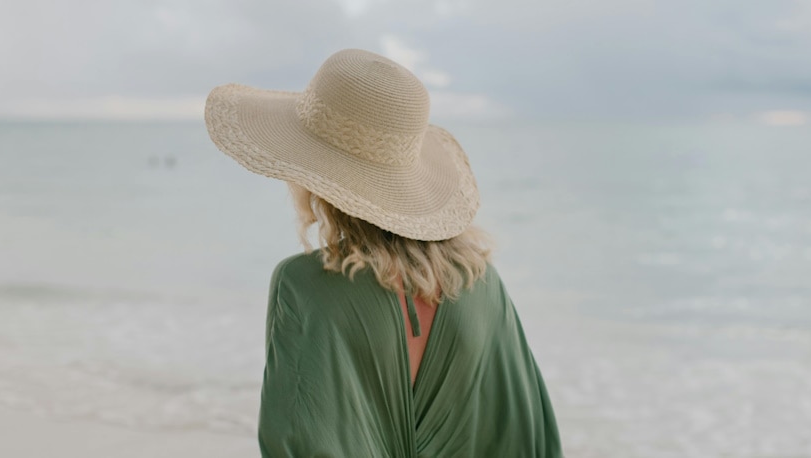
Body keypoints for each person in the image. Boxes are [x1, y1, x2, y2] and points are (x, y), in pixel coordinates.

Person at [204, 48, 563, 457]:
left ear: (315, 177)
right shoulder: (484, 285)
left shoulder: (303, 287)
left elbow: (295, 441)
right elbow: (528, 437)